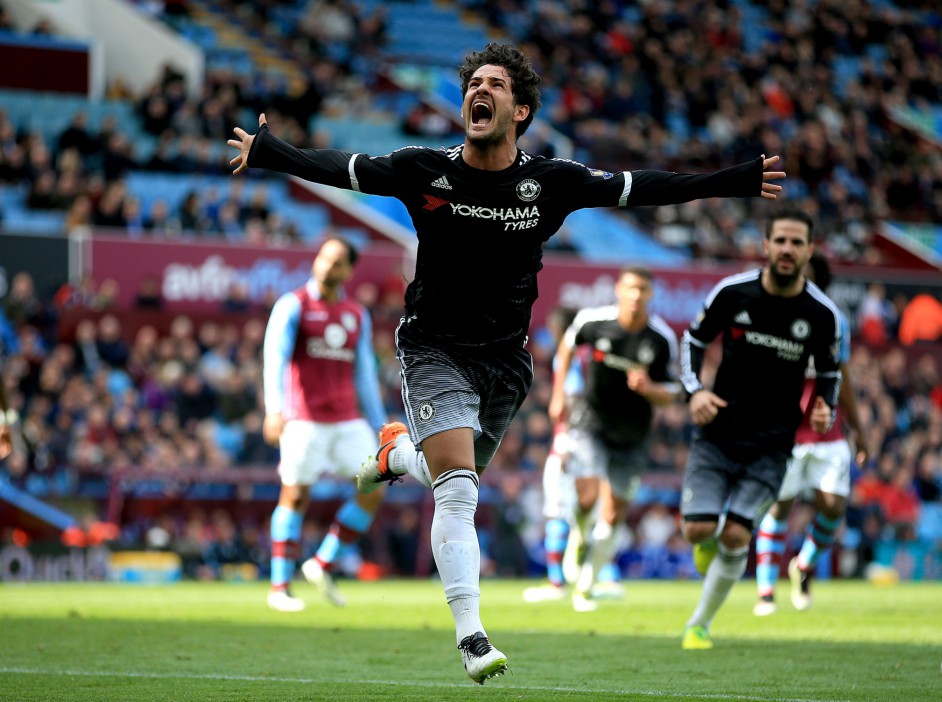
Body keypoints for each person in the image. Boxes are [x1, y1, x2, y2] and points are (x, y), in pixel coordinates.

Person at [228, 42, 786, 683]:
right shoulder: (423, 171)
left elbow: (649, 189)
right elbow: (341, 167)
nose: (479, 90)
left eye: (495, 84)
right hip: (432, 349)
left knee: (450, 475)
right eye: (473, 83)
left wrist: (734, 182)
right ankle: (471, 636)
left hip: (505, 366)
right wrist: (271, 152)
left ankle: (394, 457)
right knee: (458, 492)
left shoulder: (552, 183)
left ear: (519, 110)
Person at [677, 209, 842, 650]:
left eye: (797, 243)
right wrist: (694, 391)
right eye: (781, 240)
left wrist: (827, 407)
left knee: (736, 534)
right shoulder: (732, 292)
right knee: (698, 530)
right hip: (718, 434)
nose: (788, 249)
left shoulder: (823, 315)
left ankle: (699, 624)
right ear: (766, 245)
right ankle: (705, 545)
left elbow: (830, 373)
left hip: (772, 445)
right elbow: (692, 341)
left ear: (809, 251)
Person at [262, 236, 388, 612]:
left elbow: (364, 375)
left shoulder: (356, 314)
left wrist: (381, 426)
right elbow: (276, 359)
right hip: (304, 420)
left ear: (348, 270)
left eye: (336, 262)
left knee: (376, 485)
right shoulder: (293, 305)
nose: (327, 266)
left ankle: (321, 562)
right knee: (295, 497)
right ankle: (280, 587)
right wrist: (274, 408)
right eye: (323, 258)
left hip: (348, 419)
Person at [546, 268, 680, 613]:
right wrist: (558, 394)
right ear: (619, 290)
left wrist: (649, 388)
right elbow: (566, 347)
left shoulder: (661, 338)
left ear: (651, 294)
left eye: (644, 290)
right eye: (631, 289)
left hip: (634, 435)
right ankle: (578, 534)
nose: (637, 296)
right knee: (587, 495)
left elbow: (672, 392)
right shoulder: (593, 322)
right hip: (591, 422)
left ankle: (587, 583)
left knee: (613, 514)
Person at [753, 252, 868, 616]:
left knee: (833, 506)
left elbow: (843, 376)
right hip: (784, 430)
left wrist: (858, 428)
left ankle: (803, 565)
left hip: (826, 429)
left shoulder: (834, 319)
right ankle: (766, 591)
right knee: (780, 506)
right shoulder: (770, 314)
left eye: (811, 275)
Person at [521, 307, 581, 604]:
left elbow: (571, 400)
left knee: (558, 510)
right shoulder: (588, 356)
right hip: (591, 442)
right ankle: (601, 576)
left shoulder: (570, 357)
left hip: (571, 442)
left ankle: (557, 581)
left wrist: (566, 440)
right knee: (589, 511)